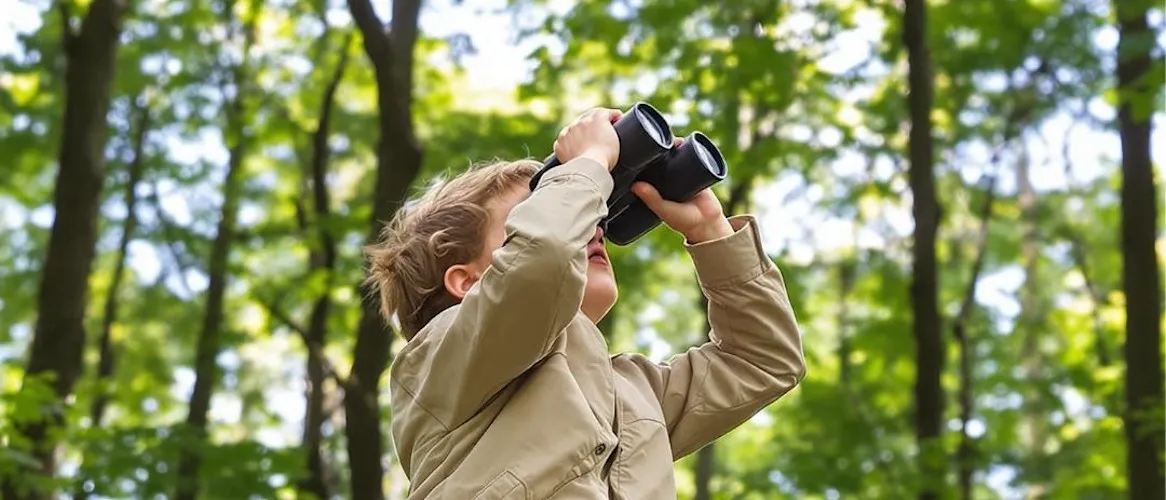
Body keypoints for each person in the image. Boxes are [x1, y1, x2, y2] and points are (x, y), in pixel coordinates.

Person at [366, 107, 806, 499]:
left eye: (596, 211)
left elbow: (763, 360)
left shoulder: (631, 395)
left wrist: (711, 231)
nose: (594, 224)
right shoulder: (442, 361)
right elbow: (540, 261)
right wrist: (588, 162)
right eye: (534, 208)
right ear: (467, 282)